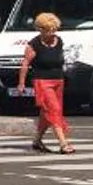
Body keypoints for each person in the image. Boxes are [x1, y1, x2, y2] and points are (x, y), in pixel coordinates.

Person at [17, 10, 72, 154]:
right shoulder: (33, 45)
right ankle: (63, 143)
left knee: (47, 113)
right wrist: (21, 83)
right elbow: (25, 64)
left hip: (58, 80)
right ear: (40, 30)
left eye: (54, 30)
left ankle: (37, 140)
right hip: (42, 81)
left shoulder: (59, 41)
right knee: (54, 110)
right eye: (49, 31)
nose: (52, 33)